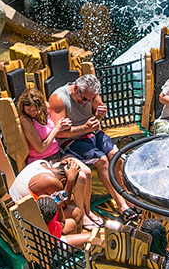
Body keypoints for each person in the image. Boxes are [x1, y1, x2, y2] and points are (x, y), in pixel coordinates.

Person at [49, 74, 132, 218]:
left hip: (91, 134)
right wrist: (85, 128)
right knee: (102, 160)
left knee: (115, 155)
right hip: (71, 140)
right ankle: (121, 204)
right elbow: (59, 134)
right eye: (84, 99)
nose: (86, 102)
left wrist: (100, 115)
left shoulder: (91, 95)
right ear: (76, 88)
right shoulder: (58, 99)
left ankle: (127, 196)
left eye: (90, 99)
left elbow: (96, 116)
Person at [8, 157, 89, 234]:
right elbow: (63, 204)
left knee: (76, 211)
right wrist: (71, 180)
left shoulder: (42, 163)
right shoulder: (52, 182)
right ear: (63, 181)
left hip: (16, 207)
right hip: (23, 219)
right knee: (76, 215)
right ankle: (70, 244)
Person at [16, 88, 71, 163]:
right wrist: (57, 129)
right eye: (28, 109)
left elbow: (56, 126)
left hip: (57, 152)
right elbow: (40, 148)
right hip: (41, 159)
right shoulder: (26, 120)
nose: (31, 112)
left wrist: (63, 125)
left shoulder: (46, 107)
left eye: (34, 110)